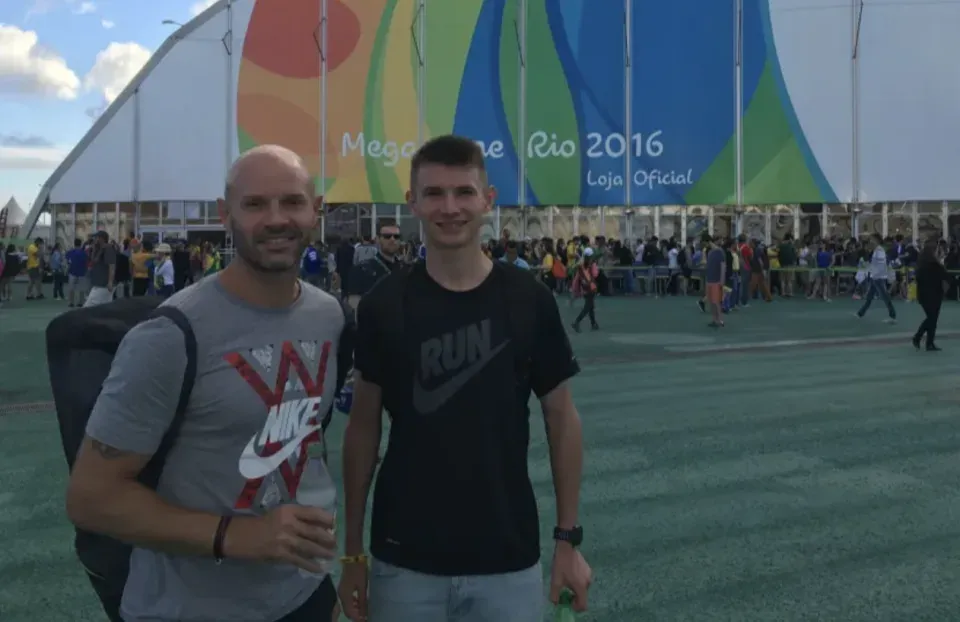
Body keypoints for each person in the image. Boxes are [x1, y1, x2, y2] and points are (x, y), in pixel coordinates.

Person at [65, 145, 345, 622]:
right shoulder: (169, 335)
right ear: (225, 214)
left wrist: (317, 588)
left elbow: (303, 441)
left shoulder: (329, 316)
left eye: (292, 202)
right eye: (255, 204)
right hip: (188, 608)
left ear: (314, 210)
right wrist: (236, 536)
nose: (276, 219)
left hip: (301, 594)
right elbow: (91, 498)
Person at [338, 135, 592, 622]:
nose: (450, 208)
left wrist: (568, 540)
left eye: (464, 192)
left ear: (487, 200)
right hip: (404, 560)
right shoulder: (383, 306)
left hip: (507, 558)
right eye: (434, 193)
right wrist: (352, 554)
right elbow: (362, 429)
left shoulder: (528, 299)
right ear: (412, 202)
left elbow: (562, 419)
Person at [345, 222, 404, 314]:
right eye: (387, 236)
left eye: (396, 236)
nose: (392, 239)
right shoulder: (360, 270)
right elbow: (355, 307)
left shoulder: (406, 270)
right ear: (378, 239)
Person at [913, 240, 951, 351]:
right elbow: (946, 276)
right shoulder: (936, 265)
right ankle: (921, 338)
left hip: (923, 295)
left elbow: (918, 279)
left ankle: (927, 342)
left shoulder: (920, 265)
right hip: (935, 294)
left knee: (931, 319)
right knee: (932, 319)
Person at [855, 234, 896, 323]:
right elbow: (875, 265)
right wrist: (867, 266)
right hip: (875, 277)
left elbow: (880, 266)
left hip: (878, 278)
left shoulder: (879, 251)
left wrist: (870, 268)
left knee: (885, 297)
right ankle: (860, 313)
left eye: (871, 239)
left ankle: (892, 316)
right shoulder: (876, 250)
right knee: (869, 297)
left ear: (876, 240)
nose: (870, 241)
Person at [571, 248, 599, 332]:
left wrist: (576, 290)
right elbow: (595, 274)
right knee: (587, 308)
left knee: (590, 306)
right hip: (591, 288)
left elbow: (577, 279)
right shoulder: (592, 264)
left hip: (584, 288)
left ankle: (593, 323)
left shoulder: (580, 265)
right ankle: (576, 322)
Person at [703, 235, 725, 327]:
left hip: (716, 280)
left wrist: (722, 280)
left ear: (709, 242)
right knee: (711, 301)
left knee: (716, 301)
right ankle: (714, 319)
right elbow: (708, 265)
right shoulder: (709, 252)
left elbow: (723, 266)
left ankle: (720, 320)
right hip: (709, 279)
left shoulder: (720, 252)